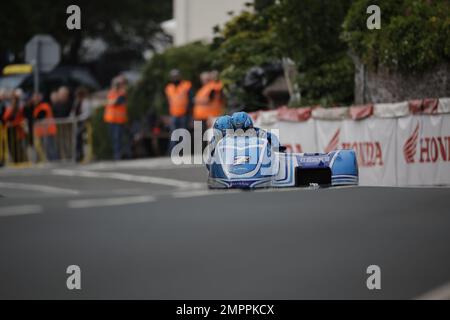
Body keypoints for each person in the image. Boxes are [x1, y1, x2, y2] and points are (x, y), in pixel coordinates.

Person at [165, 69, 193, 153]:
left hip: (184, 114)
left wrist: (190, 114)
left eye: (176, 76)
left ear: (180, 76)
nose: (175, 78)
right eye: (173, 76)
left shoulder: (186, 85)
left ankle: (184, 151)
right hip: (173, 114)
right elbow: (168, 102)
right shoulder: (168, 88)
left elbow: (191, 100)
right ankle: (173, 151)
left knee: (184, 133)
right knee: (173, 134)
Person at [104, 76, 128, 160]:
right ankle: (117, 154)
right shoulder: (111, 93)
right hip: (111, 119)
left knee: (118, 138)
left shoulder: (122, 93)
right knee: (114, 138)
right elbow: (112, 102)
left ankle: (118, 155)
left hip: (119, 120)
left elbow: (118, 101)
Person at [32, 93, 57, 161]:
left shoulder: (44, 106)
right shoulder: (37, 106)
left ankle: (54, 160)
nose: (33, 100)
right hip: (42, 131)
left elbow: (40, 116)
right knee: (45, 147)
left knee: (50, 146)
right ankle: (49, 159)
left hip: (48, 129)